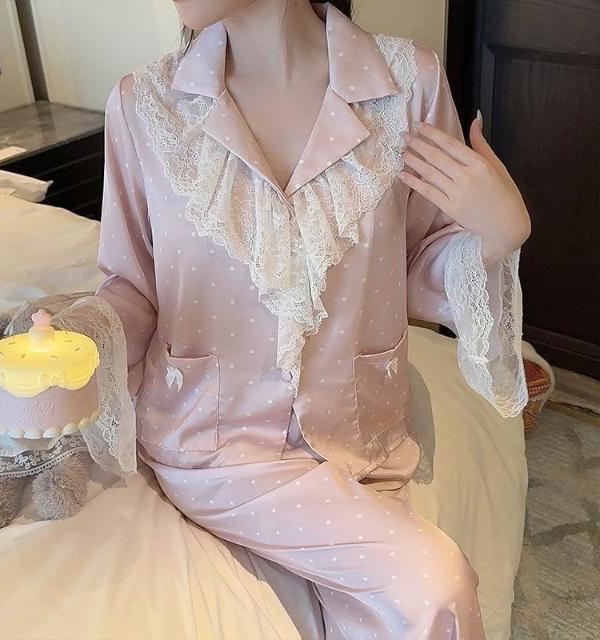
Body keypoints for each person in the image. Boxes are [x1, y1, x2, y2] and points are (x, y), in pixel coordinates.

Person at [93, 1, 531, 637]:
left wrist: (498, 236)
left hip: (363, 437)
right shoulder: (144, 106)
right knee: (434, 583)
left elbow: (417, 261)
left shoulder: (406, 84)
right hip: (214, 448)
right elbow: (133, 287)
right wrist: (85, 334)